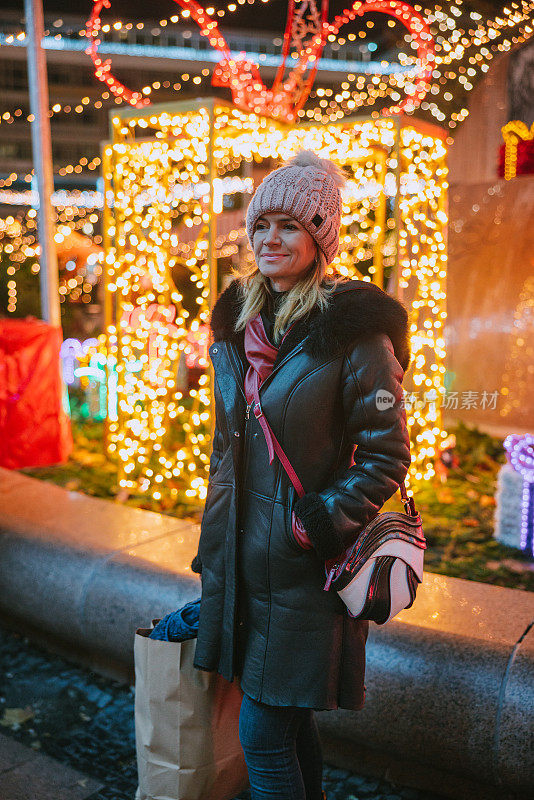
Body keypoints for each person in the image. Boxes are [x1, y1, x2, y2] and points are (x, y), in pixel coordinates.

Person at [190, 150, 412, 799]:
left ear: (320, 238)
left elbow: (386, 455)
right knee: (288, 729)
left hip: (303, 570)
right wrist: (213, 547)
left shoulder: (356, 336)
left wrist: (317, 523)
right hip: (240, 563)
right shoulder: (237, 326)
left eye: (289, 226)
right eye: (261, 226)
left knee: (263, 732)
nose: (269, 240)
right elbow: (226, 452)